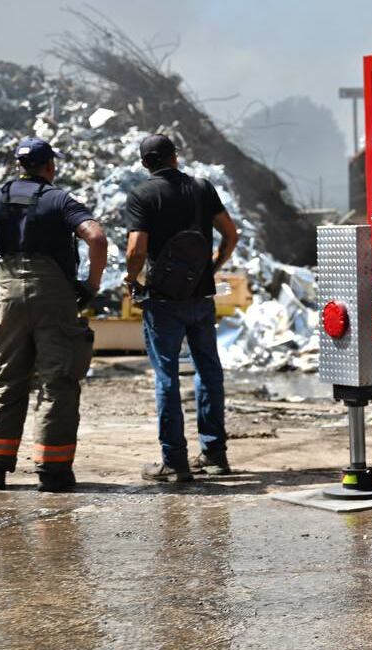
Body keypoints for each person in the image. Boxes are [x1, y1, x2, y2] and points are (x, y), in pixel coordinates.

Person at [0, 137, 108, 492]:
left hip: (8, 298)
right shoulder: (59, 199)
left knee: (5, 381)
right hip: (55, 300)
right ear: (49, 166)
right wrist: (92, 285)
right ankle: (53, 473)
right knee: (58, 382)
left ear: (18, 166)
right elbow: (96, 238)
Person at [123, 134, 239, 482]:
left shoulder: (142, 195)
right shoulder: (203, 188)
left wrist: (132, 280)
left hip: (162, 301)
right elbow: (230, 234)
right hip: (201, 297)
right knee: (209, 370)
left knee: (167, 376)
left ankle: (175, 461)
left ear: (146, 163)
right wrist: (212, 268)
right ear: (176, 156)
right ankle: (215, 455)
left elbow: (136, 250)